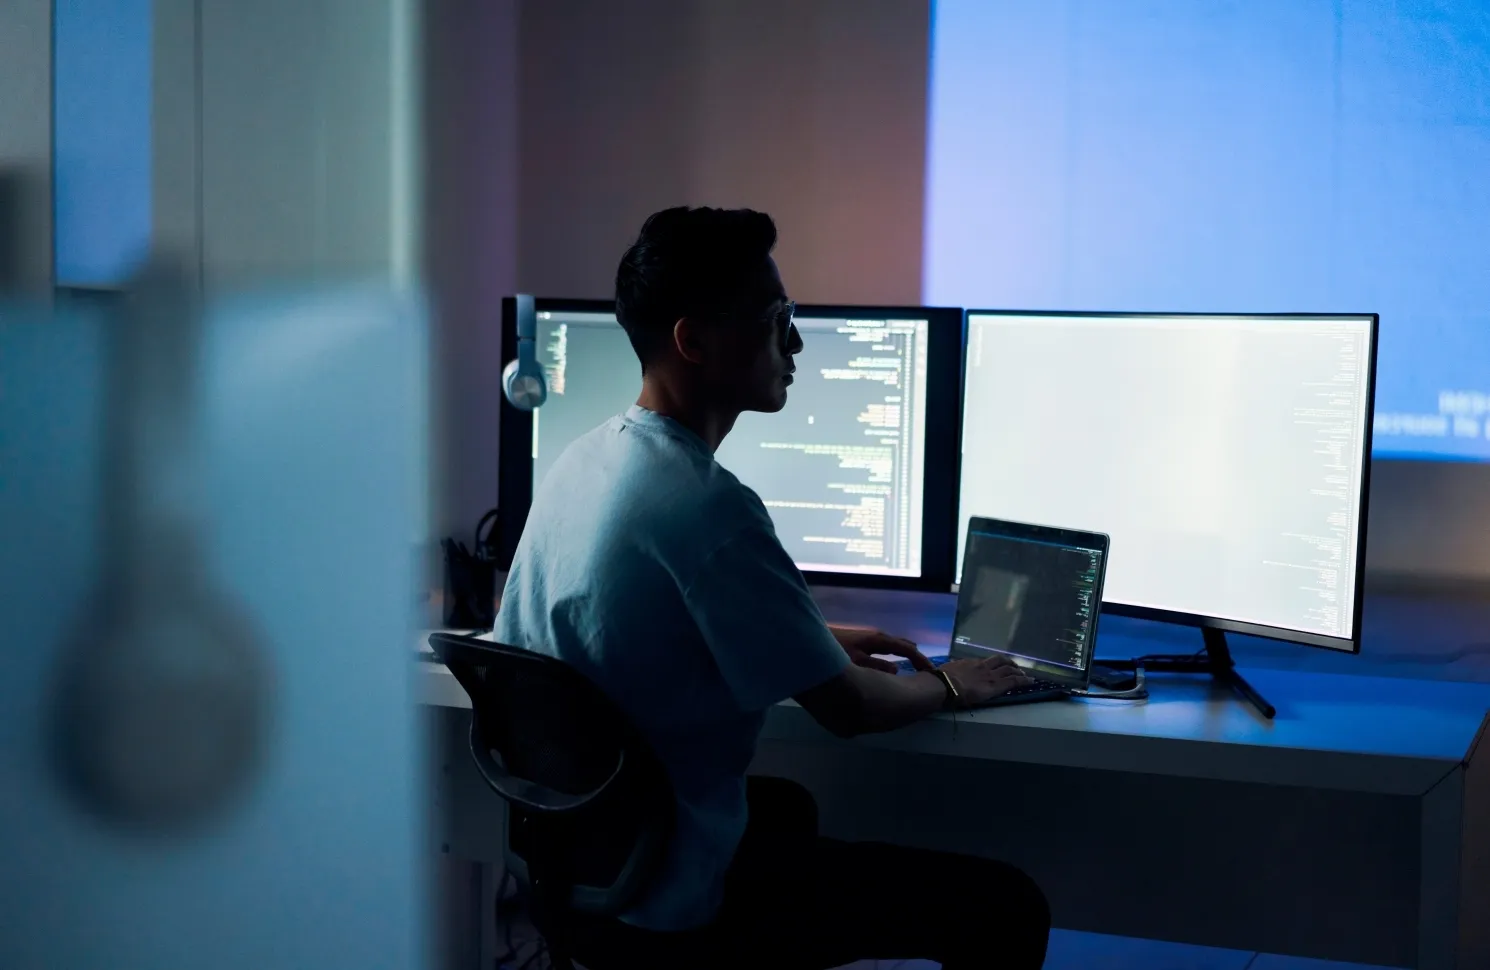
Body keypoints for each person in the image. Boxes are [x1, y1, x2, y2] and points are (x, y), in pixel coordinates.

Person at [494, 206, 1050, 969]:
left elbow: (637, 623)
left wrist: (813, 639)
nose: (794, 342)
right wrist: (955, 685)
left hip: (586, 872)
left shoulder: (586, 459)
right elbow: (852, 710)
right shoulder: (709, 506)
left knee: (787, 810)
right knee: (1006, 906)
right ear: (693, 341)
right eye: (776, 318)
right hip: (666, 903)